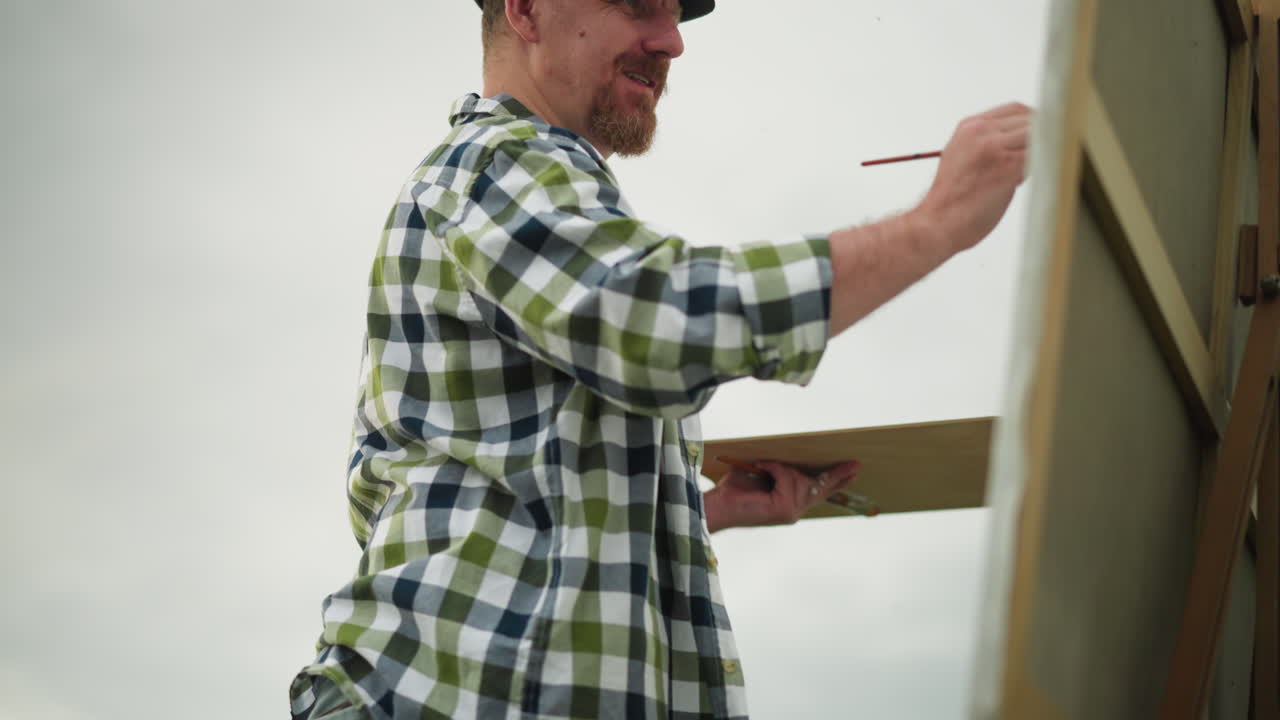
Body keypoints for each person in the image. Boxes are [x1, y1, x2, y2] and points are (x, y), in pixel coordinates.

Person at [288, 0, 1031, 717]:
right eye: (638, 4)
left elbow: (472, 489)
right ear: (524, 9)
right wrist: (942, 221)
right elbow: (659, 321)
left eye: (674, 14)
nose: (673, 41)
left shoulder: (523, 195)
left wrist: (695, 514)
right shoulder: (493, 163)